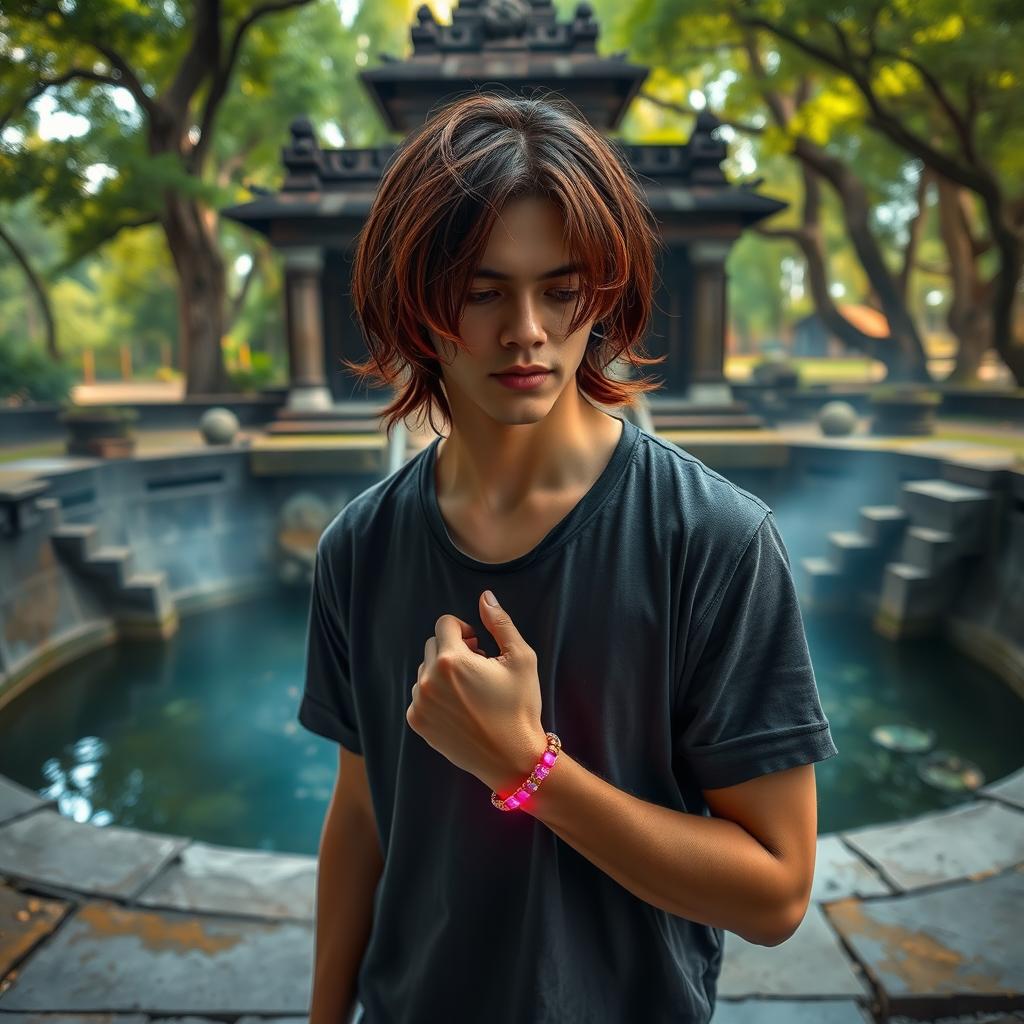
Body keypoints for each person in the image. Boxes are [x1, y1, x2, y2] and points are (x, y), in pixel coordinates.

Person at [297, 90, 838, 1024]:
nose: (528, 333)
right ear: (417, 303)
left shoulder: (713, 541)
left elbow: (777, 893)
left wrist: (527, 771)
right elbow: (360, 815)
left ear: (607, 295)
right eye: (482, 291)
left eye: (562, 289)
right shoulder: (361, 545)